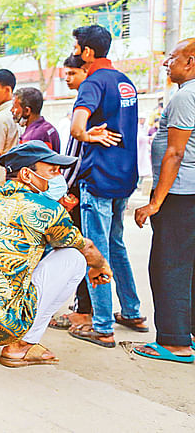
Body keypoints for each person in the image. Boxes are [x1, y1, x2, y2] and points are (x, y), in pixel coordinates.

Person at [0, 142, 113, 367]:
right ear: (26, 174)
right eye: (52, 170)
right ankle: (21, 346)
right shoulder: (46, 208)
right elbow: (85, 247)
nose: (58, 176)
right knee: (75, 258)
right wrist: (100, 266)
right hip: (0, 324)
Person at [67, 24, 146, 347]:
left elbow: (76, 127)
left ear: (86, 52)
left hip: (98, 179)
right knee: (117, 246)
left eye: (76, 47)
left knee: (94, 251)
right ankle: (132, 310)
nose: (73, 52)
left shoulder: (93, 82)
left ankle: (102, 326)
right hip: (124, 177)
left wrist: (87, 135)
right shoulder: (125, 82)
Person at [132, 38, 195, 363]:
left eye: (171, 58)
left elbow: (175, 151)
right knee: (188, 267)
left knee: (168, 266)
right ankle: (188, 333)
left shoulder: (186, 96)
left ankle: (174, 342)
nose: (166, 64)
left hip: (181, 195)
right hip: (190, 195)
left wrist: (155, 202)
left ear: (190, 61)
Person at [49, 54, 93, 331]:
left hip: (77, 188)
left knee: (79, 249)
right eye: (65, 74)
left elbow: (75, 156)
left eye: (72, 73)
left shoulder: (86, 104)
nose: (67, 79)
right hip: (81, 186)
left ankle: (83, 310)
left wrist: (66, 190)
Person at [12, 86, 60, 152]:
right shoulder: (49, 127)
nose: (12, 110)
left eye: (15, 107)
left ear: (27, 111)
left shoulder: (30, 139)